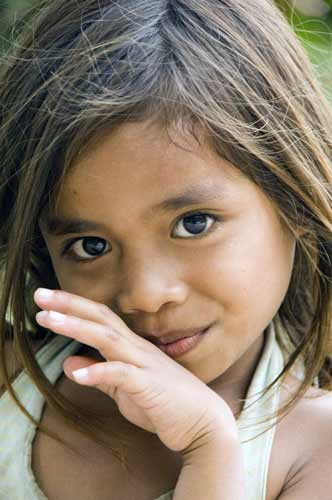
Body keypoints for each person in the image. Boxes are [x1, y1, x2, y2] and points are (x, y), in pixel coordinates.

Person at [1, 0, 332, 498]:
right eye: (91, 245)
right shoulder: (13, 383)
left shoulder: (314, 450)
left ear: (297, 207)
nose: (146, 295)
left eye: (193, 224)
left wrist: (209, 451)